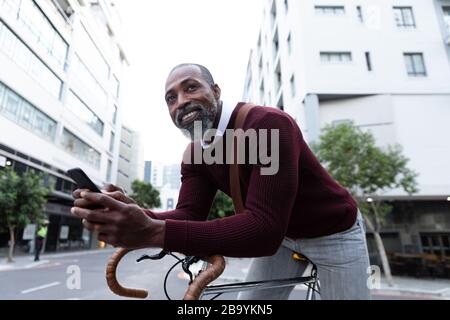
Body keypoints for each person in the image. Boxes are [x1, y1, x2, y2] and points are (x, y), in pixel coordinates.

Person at [71, 64, 371, 300]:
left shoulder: (268, 125)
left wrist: (151, 231)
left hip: (334, 232)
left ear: (216, 90)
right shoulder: (194, 153)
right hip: (283, 239)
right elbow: (188, 215)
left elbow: (264, 230)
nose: (182, 102)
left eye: (191, 88)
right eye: (171, 98)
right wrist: (137, 213)